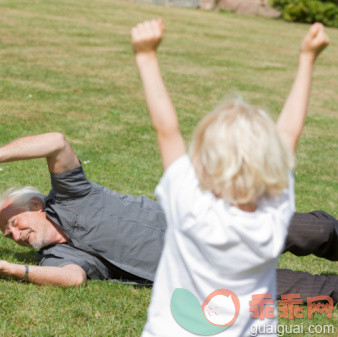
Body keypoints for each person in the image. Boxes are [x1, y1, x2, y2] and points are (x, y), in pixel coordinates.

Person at [0, 133, 338, 298]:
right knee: (315, 294)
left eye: (14, 223)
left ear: (37, 207)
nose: (15, 235)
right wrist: (12, 269)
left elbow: (56, 143)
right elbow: (73, 279)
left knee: (320, 230)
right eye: (8, 236)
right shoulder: (57, 258)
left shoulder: (72, 194)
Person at [131, 19, 330, 336]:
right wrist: (307, 59)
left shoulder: (189, 206)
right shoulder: (274, 213)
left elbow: (166, 129)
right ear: (272, 164)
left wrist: (145, 55)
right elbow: (289, 132)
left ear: (205, 165)